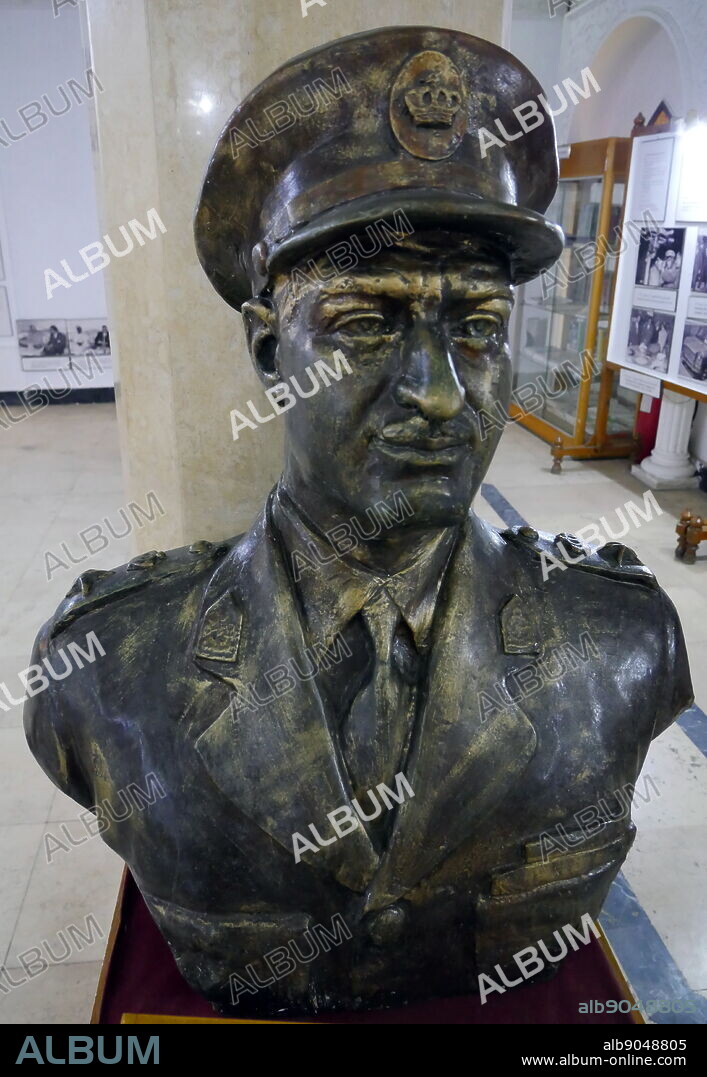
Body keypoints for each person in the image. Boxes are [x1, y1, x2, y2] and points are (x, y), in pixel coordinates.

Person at [24, 26, 693, 1018]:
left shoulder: (624, 641)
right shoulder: (110, 670)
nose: (438, 393)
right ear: (268, 353)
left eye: (476, 327)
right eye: (366, 325)